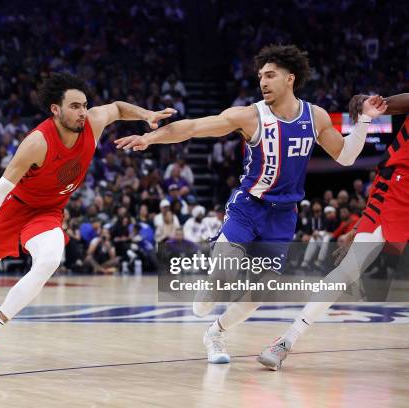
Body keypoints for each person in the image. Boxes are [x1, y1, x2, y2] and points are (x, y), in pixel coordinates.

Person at [115, 44, 387, 364]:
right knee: (225, 274)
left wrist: (367, 121)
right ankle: (209, 290)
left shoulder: (315, 116)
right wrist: (150, 138)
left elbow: (346, 156)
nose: (263, 82)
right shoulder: (249, 115)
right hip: (248, 205)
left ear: (290, 79)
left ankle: (215, 333)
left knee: (260, 294)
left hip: (284, 216)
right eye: (260, 76)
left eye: (270, 75)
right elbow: (191, 128)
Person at [0, 73, 175, 365]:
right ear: (55, 109)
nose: (82, 112)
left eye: (84, 105)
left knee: (50, 259)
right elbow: (0, 188)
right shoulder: (37, 143)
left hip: (48, 212)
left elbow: (117, 108)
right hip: (14, 207)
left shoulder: (92, 123)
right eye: (74, 106)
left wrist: (147, 115)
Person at [257, 92, 408, 370]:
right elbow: (384, 104)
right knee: (348, 270)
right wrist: (368, 106)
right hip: (399, 189)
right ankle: (286, 341)